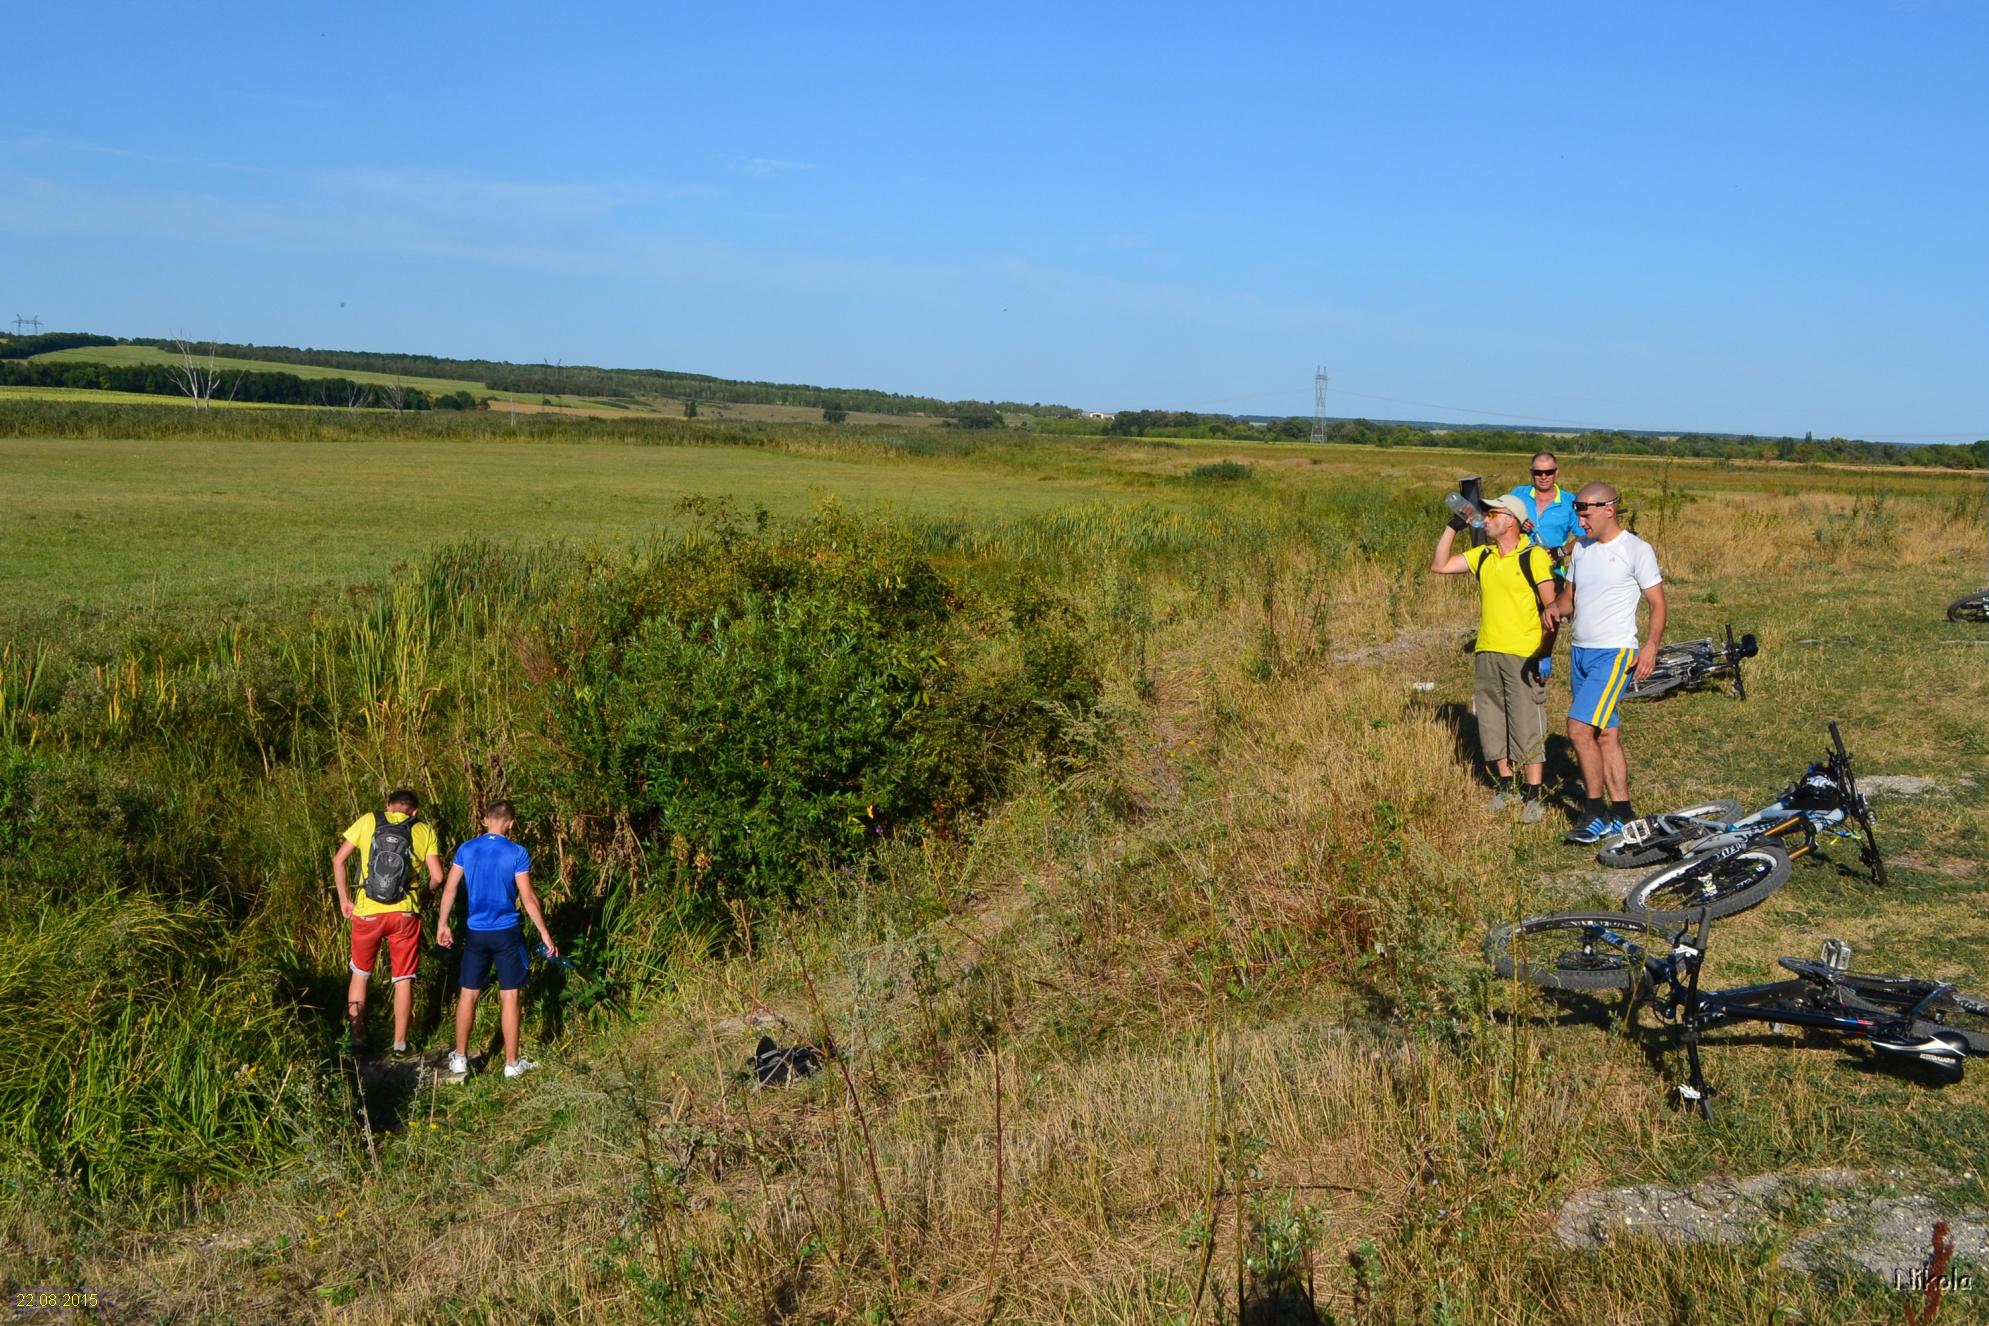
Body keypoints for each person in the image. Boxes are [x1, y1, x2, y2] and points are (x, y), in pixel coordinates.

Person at [1544, 483, 1667, 845]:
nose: (1579, 519)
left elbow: (1657, 604)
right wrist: (1554, 608)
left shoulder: (1636, 550)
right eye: (1577, 510)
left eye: (1585, 511)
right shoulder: (1580, 550)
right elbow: (1571, 599)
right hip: (1581, 651)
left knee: (1578, 730)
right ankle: (1623, 813)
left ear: (1608, 509)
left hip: (1615, 653)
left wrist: (1650, 648)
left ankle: (1594, 812)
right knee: (1606, 734)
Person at [1431, 493, 1559, 823]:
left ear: (1511, 520)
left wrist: (1545, 654)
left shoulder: (1533, 558)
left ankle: (1533, 795)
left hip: (1524, 653)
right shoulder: (1484, 556)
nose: (1485, 519)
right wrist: (1452, 527)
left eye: (1493, 515)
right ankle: (1505, 786)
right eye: (1485, 514)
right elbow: (1440, 565)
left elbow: (1552, 610)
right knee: (1491, 720)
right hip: (1487, 650)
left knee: (1526, 721)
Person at [436, 800, 558, 1080]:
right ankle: (512, 1064)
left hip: (476, 932)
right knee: (510, 995)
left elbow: (451, 887)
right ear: (511, 823)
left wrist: (443, 924)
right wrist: (543, 932)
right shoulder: (517, 852)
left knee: (468, 993)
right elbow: (527, 896)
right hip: (507, 932)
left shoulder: (467, 849)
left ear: (484, 819)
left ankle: (460, 1059)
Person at [333, 788, 445, 1055]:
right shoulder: (423, 830)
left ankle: (357, 1038)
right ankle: (400, 1044)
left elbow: (339, 860)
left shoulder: (369, 820)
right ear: (414, 811)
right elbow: (438, 876)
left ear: (388, 805)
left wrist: (344, 899)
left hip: (367, 911)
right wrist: (425, 896)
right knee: (403, 978)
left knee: (360, 973)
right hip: (405, 913)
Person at [1508, 452, 1580, 574]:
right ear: (1531, 473)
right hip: (1516, 569)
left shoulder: (1570, 501)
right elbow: (1498, 524)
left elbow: (1586, 536)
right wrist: (1518, 524)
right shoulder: (1518, 493)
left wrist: (1560, 552)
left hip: (1552, 571)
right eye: (1538, 472)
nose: (1543, 476)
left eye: (1549, 472)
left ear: (1556, 472)